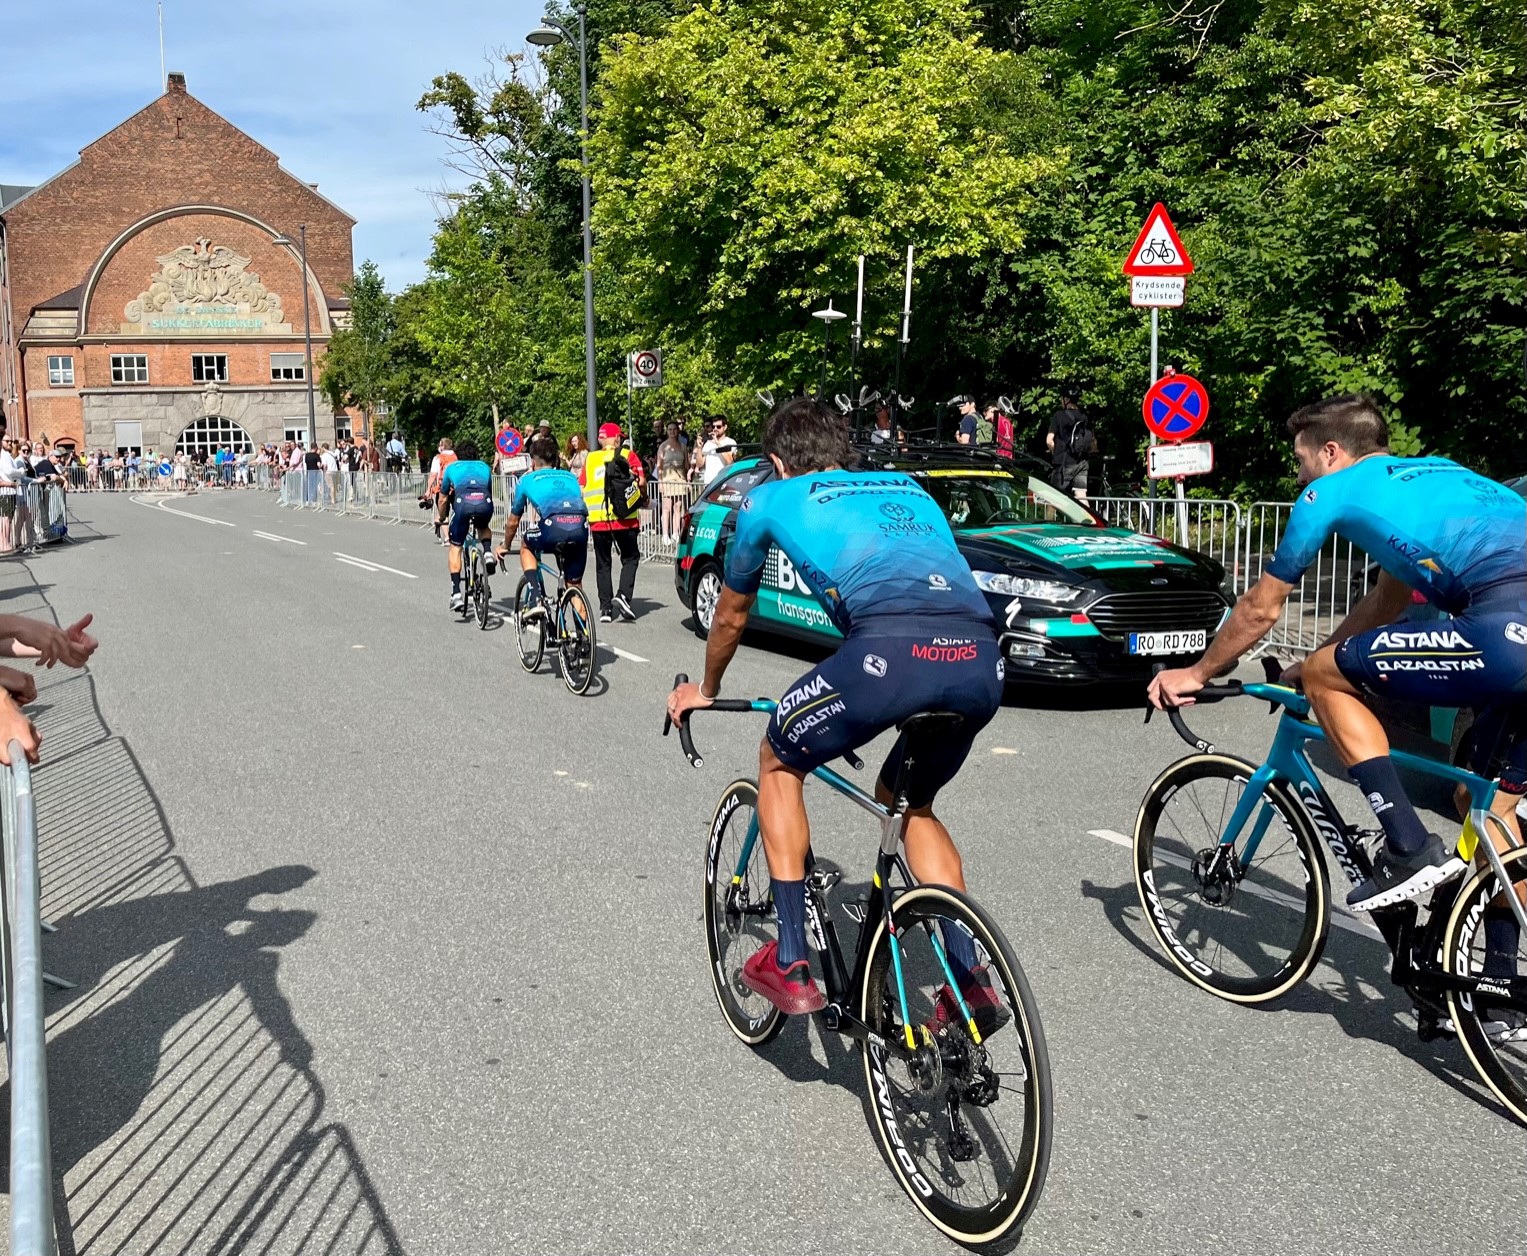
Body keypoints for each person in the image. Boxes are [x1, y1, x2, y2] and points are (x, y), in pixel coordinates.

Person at [665, 398, 1007, 1021]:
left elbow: (732, 613)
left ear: (775, 462)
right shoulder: (909, 486)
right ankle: (970, 983)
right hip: (981, 659)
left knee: (778, 757)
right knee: (910, 802)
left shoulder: (767, 499)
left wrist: (706, 689)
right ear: (841, 451)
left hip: (887, 657)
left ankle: (792, 958)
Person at [1150, 393, 1527, 913]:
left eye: (1301, 462)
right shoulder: (1441, 472)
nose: (1300, 478)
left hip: (1506, 633)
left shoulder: (1330, 492)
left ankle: (1409, 846)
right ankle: (1496, 983)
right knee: (1485, 817)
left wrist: (1196, 673)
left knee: (1329, 676)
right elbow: (1386, 602)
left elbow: (1261, 609)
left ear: (1330, 453)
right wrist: (1308, 664)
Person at [500, 436, 589, 620]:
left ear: (533, 461)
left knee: (526, 544)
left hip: (552, 528)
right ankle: (584, 639)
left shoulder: (527, 480)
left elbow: (513, 521)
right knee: (574, 584)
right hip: (580, 529)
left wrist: (505, 545)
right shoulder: (571, 477)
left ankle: (536, 597)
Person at [580, 422, 645, 623]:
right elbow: (641, 482)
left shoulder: (590, 459)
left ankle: (605, 609)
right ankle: (623, 596)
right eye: (620, 436)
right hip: (624, 519)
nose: (621, 439)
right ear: (615, 438)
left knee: (603, 564)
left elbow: (582, 487)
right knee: (631, 557)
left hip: (598, 520)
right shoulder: (627, 455)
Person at [439, 440, 497, 612]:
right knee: (483, 525)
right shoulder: (485, 467)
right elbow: (488, 490)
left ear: (458, 455)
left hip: (463, 505)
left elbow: (442, 499)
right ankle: (487, 553)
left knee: (455, 547)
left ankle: (456, 593)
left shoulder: (452, 468)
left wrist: (442, 517)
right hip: (483, 502)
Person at [1046, 388, 1092, 501]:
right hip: (1082, 463)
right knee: (1081, 497)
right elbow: (1092, 441)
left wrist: (1054, 451)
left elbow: (1049, 440)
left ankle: (1050, 519)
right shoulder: (1084, 417)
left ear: (1066, 399)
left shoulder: (1059, 416)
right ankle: (1089, 519)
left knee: (1053, 499)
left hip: (1064, 464)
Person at [653, 421, 691, 544]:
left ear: (678, 431)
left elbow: (686, 465)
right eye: (670, 429)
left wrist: (688, 480)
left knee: (678, 507)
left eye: (674, 429)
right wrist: (660, 482)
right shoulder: (663, 446)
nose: (672, 432)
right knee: (666, 507)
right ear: (667, 431)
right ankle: (665, 534)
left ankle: (675, 532)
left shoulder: (683, 446)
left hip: (680, 480)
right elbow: (659, 466)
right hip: (667, 479)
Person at [425, 438, 458, 540]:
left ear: (442, 446)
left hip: (442, 489)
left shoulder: (438, 458)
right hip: (456, 488)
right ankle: (458, 534)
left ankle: (447, 537)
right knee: (458, 511)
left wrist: (428, 490)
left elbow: (433, 475)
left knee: (443, 513)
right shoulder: (456, 457)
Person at [696, 418, 737, 487]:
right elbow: (699, 464)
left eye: (718, 426)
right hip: (709, 484)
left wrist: (718, 443)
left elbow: (730, 462)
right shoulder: (708, 443)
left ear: (725, 427)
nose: (715, 429)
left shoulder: (730, 442)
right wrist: (699, 448)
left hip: (724, 483)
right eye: (713, 426)